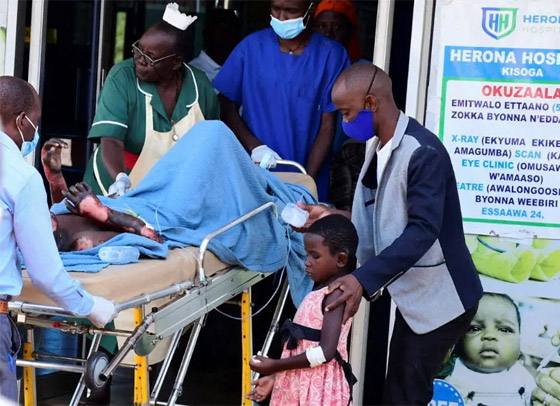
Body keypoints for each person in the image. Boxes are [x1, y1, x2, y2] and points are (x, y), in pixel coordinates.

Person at [297, 62, 483, 405]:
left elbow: (423, 229)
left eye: (347, 112)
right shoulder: (380, 147)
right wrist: (332, 216)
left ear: (371, 103)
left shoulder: (421, 152)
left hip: (444, 300)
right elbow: (382, 214)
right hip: (418, 297)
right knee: (400, 391)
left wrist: (361, 279)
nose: (344, 122)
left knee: (404, 395)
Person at [0, 76, 116, 402]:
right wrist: (91, 307)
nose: (34, 132)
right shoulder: (20, 177)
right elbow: (46, 273)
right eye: (35, 123)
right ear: (22, 121)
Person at [214, 0, 350, 202]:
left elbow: (327, 126)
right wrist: (255, 147)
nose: (281, 17)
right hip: (255, 172)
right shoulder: (252, 47)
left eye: (291, 11)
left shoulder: (331, 55)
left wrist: (305, 184)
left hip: (308, 170)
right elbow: (225, 106)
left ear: (310, 9)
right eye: (276, 9)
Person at [82, 5, 220, 197]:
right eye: (138, 49)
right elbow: (110, 139)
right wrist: (120, 179)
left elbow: (212, 144)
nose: (139, 59)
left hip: (171, 189)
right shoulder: (122, 77)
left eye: (150, 57)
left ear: (176, 62)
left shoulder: (200, 86)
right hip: (116, 181)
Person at [247, 214, 358, 405]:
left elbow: (325, 352)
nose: (307, 261)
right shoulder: (320, 291)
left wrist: (275, 365)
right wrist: (276, 377)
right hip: (301, 385)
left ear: (340, 260)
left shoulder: (335, 296)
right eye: (307, 254)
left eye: (315, 256)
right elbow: (305, 348)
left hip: (318, 391)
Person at [445, 293, 535, 406]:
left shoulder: (524, 377)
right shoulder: (448, 372)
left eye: (504, 330)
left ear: (519, 338)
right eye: (475, 329)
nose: (489, 335)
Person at [188, 8, 242, 86]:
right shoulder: (192, 73)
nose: (227, 40)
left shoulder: (242, 71)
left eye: (231, 34)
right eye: (221, 34)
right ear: (207, 35)